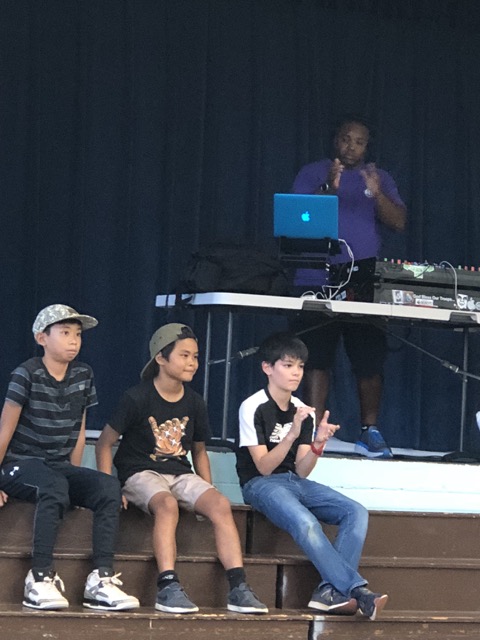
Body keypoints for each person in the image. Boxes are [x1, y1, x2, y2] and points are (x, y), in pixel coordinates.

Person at [96, 323, 268, 615]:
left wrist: (208, 488)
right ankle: (168, 586)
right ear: (161, 359)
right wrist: (108, 488)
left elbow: (199, 451)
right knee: (167, 505)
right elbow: (104, 443)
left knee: (220, 504)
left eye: (196, 356)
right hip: (141, 472)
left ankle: (238, 586)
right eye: (184, 355)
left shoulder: (195, 402)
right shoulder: (136, 397)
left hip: (180, 473)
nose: (192, 363)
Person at [236, 331, 388, 621]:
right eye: (287, 365)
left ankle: (329, 591)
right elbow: (263, 467)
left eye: (300, 366)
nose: (296, 372)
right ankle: (357, 590)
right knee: (305, 522)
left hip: (293, 481)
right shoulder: (253, 406)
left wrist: (318, 443)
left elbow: (301, 469)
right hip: (260, 484)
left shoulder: (302, 410)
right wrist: (292, 433)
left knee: (355, 511)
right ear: (267, 367)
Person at [0, 304, 139, 611]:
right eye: (64, 333)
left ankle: (101, 578)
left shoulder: (83, 374)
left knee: (107, 487)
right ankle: (39, 577)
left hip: (57, 467)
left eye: (77, 334)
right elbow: (4, 430)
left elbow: (79, 430)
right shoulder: (26, 374)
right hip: (19, 464)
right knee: (53, 486)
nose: (74, 340)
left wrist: (74, 475)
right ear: (42, 338)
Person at [292, 114, 407, 458]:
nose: (351, 147)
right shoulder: (314, 172)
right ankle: (314, 431)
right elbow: (297, 219)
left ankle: (370, 432)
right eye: (346, 139)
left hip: (363, 276)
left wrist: (376, 192)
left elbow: (398, 222)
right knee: (316, 356)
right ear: (335, 140)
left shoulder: (379, 178)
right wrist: (329, 187)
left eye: (359, 141)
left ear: (367, 146)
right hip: (316, 273)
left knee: (368, 356)